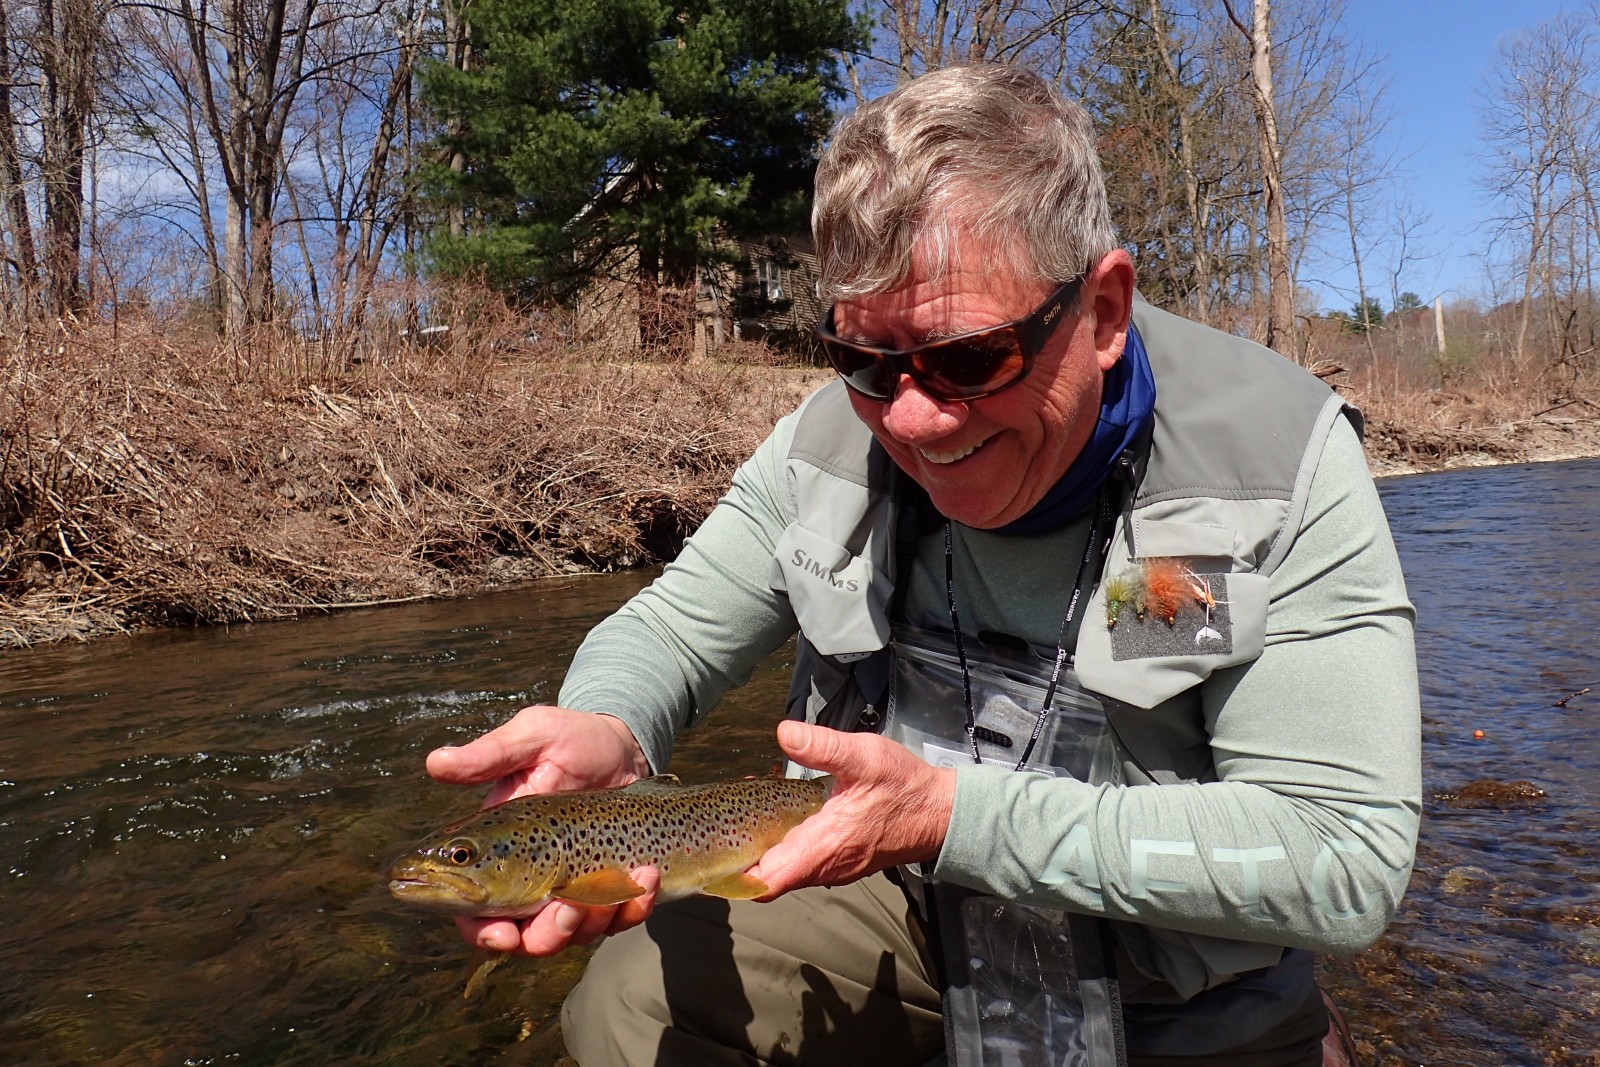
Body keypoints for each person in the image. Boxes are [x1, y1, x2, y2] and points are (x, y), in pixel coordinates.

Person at [426, 63, 1420, 1067]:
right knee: (632, 1004)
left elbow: (1343, 856)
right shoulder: (829, 443)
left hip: (1170, 969)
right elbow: (673, 628)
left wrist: (950, 815)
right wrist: (606, 722)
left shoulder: (1260, 466)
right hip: (909, 914)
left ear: (1105, 310)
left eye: (968, 359)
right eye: (864, 361)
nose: (909, 417)